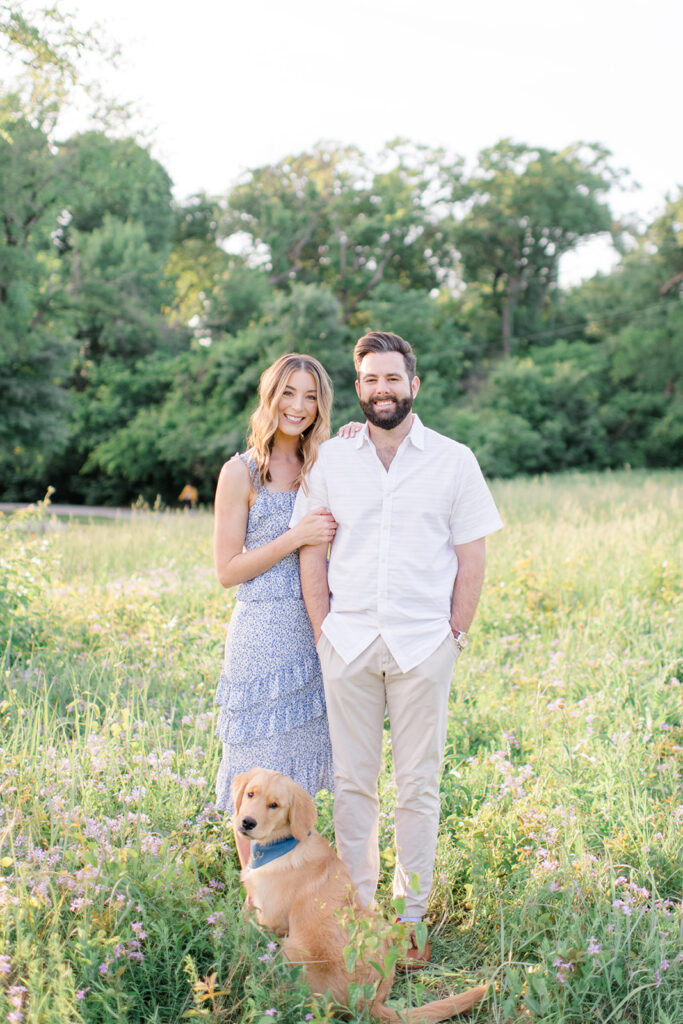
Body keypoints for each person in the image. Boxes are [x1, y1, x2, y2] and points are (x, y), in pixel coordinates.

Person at [291, 331, 503, 967]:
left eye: (393, 379)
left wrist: (454, 635)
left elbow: (472, 554)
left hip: (422, 644)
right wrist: (323, 627)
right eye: (370, 381)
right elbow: (313, 548)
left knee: (418, 784)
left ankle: (411, 916)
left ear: (414, 384)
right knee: (354, 785)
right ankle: (358, 913)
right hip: (348, 641)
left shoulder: (453, 460)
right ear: (358, 390)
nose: (382, 390)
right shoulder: (332, 460)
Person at [213, 352, 339, 869]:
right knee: (254, 767)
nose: (299, 406)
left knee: (298, 769)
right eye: (290, 393)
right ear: (272, 396)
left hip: (313, 626)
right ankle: (254, 888)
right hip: (260, 632)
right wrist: (294, 537)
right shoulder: (239, 472)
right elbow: (228, 569)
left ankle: (298, 880)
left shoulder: (323, 464)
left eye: (311, 396)